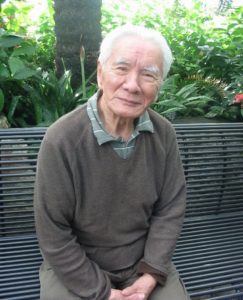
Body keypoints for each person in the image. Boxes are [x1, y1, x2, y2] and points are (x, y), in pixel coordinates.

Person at [34, 24, 189, 300]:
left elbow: (169, 209)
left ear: (159, 84)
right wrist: (102, 292)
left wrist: (151, 273)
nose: (132, 85)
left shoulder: (164, 134)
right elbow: (53, 231)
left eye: (148, 74)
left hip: (143, 262)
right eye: (121, 68)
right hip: (76, 266)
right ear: (100, 71)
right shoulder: (62, 139)